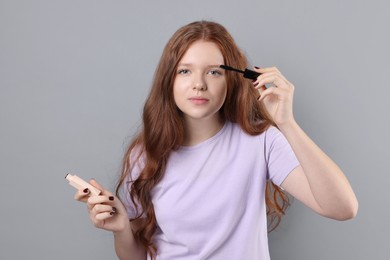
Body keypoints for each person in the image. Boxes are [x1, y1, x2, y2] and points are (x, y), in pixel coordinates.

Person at [74, 20, 358, 260]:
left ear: (232, 80)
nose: (199, 83)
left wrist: (287, 123)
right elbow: (135, 255)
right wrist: (122, 229)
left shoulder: (261, 142)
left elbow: (343, 208)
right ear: (168, 81)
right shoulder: (146, 153)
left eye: (214, 72)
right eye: (185, 71)